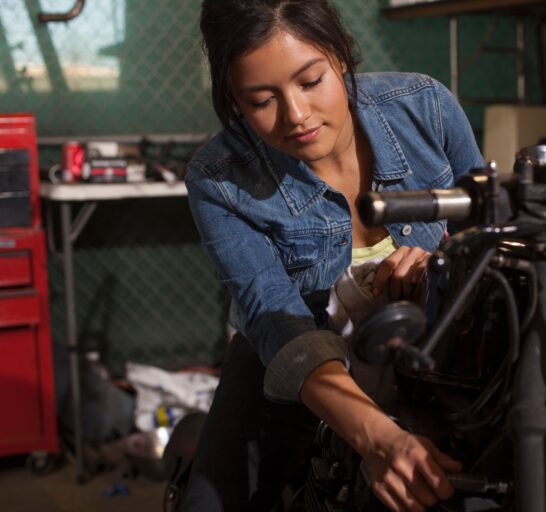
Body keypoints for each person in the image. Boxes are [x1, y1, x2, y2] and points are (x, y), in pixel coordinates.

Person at [182, 0, 485, 510]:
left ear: (340, 55)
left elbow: (487, 240)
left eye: (310, 81)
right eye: (261, 100)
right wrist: (378, 439)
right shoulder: (218, 179)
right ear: (233, 98)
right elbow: (278, 327)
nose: (296, 116)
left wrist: (443, 267)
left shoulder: (426, 108)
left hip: (437, 362)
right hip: (296, 375)